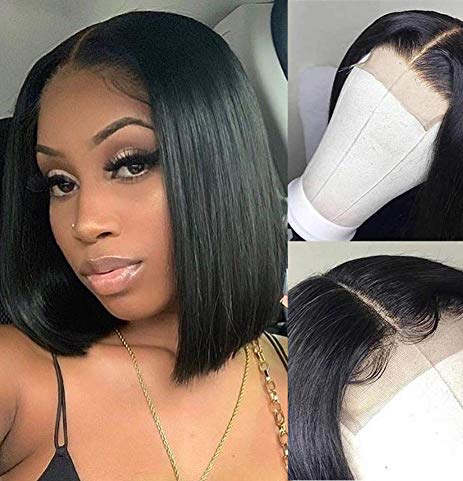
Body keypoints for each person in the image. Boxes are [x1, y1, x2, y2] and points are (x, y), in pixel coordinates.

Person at [0, 10, 287, 481]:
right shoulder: (18, 374)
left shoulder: (305, 367)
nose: (85, 223)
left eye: (131, 164)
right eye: (61, 182)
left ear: (221, 167)